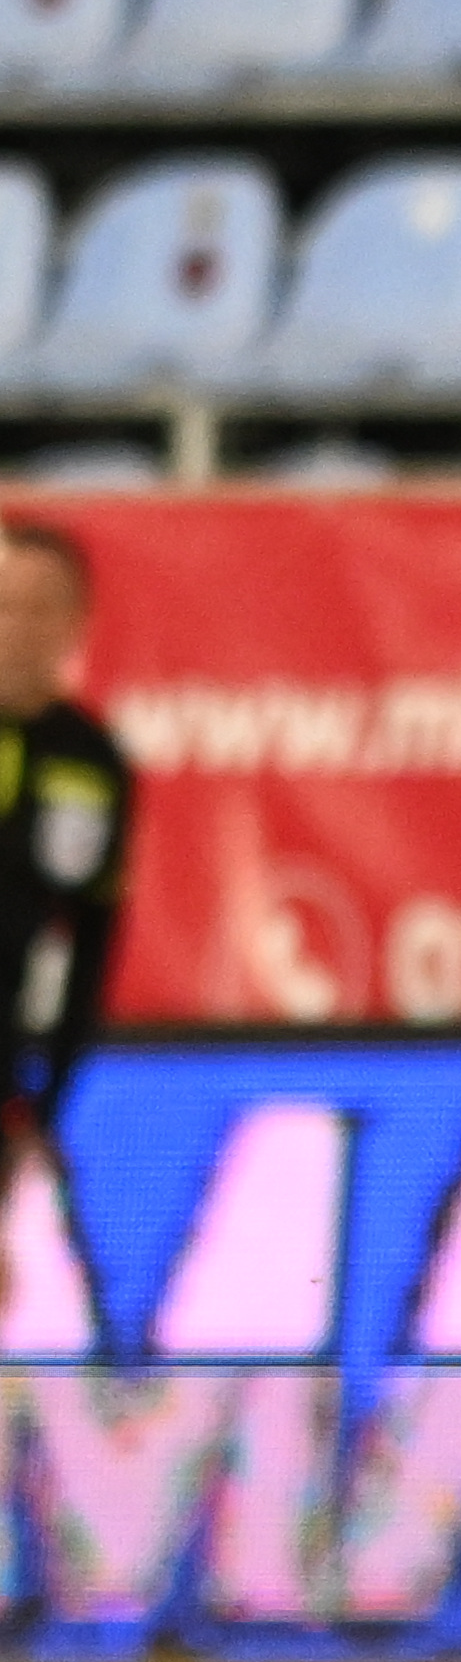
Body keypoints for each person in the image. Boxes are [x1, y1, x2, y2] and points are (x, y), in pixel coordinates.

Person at [0, 522, 127, 1299]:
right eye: (5, 606)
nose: (17, 628)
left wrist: (43, 1105)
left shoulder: (91, 757)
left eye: (39, 609)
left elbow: (90, 939)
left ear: (76, 624)